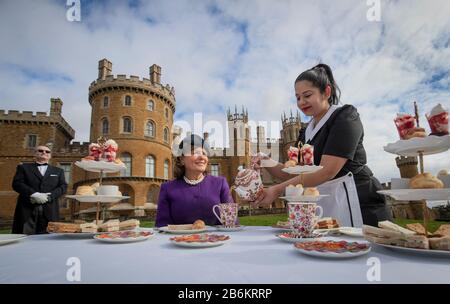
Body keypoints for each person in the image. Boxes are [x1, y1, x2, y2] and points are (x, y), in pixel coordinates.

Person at [253, 63, 391, 227]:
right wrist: (265, 160)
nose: (301, 102)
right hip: (323, 203)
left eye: (307, 95)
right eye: (297, 97)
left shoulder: (345, 117)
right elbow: (294, 174)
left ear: (326, 92)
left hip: (356, 201)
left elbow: (327, 171)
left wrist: (276, 190)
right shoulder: (305, 133)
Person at [155, 134, 234, 227]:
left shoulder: (220, 184)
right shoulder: (168, 188)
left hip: (215, 240)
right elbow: (161, 227)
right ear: (181, 159)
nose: (202, 157)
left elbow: (231, 223)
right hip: (180, 240)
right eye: (195, 152)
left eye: (204, 153)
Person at [12, 145, 67, 234]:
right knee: (24, 234)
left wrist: (50, 196)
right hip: (27, 207)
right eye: (40, 150)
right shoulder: (23, 167)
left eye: (47, 151)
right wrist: (34, 194)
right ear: (35, 153)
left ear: (50, 155)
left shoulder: (58, 171)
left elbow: (63, 187)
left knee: (48, 237)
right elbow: (17, 184)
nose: (44, 152)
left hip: (49, 209)